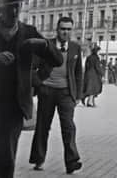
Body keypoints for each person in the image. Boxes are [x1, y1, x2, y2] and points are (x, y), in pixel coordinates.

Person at [0, 0, 63, 178]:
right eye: (10, 8)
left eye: (18, 7)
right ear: (1, 9)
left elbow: (57, 60)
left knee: (6, 155)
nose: (15, 13)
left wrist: (44, 47)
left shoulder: (29, 33)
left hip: (13, 106)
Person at [29, 17, 83, 174]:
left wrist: (78, 95)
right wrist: (39, 85)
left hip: (66, 93)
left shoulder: (75, 48)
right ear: (57, 30)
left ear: (71, 31)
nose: (65, 32)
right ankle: (38, 159)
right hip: (47, 91)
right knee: (43, 126)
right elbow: (33, 67)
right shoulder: (47, 45)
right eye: (62, 29)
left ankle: (72, 162)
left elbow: (78, 72)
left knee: (69, 127)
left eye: (68, 29)